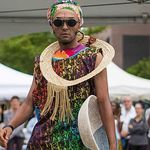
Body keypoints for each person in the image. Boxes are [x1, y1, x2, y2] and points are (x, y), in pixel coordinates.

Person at [0, 0, 116, 149]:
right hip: (42, 142)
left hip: (78, 143)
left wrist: (112, 145)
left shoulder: (92, 57)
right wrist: (10, 126)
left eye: (71, 22)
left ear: (79, 24)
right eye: (58, 22)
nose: (65, 27)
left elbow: (103, 100)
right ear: (52, 25)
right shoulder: (42, 62)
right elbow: (30, 102)